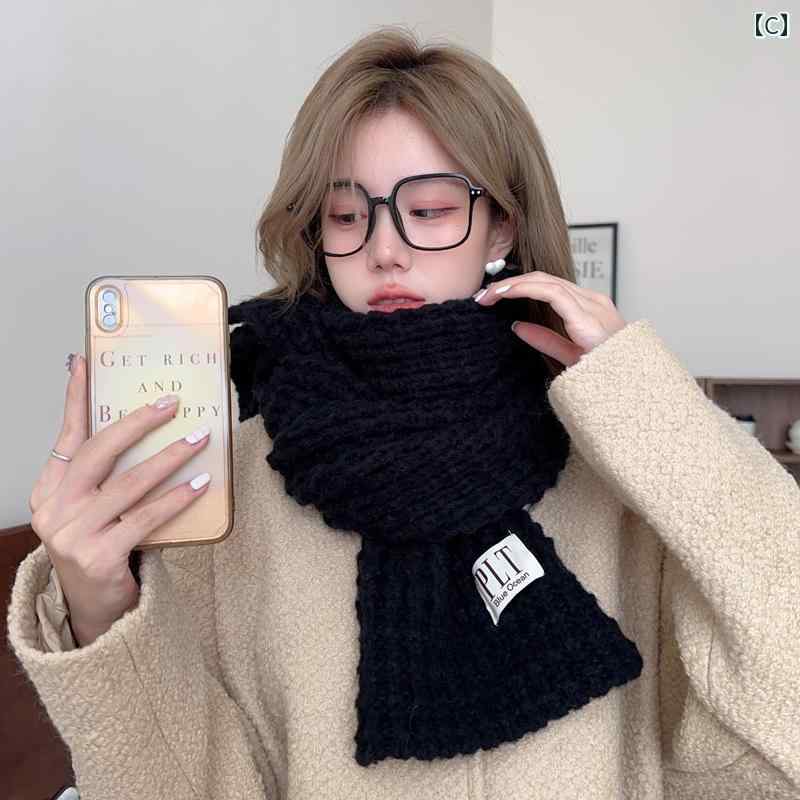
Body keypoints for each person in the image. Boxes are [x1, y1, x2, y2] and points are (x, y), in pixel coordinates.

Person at [8, 24, 800, 800]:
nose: (384, 249)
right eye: (347, 216)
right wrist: (98, 610)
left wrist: (657, 411)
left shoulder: (623, 455)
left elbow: (772, 732)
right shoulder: (229, 484)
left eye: (428, 210)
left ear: (503, 224)